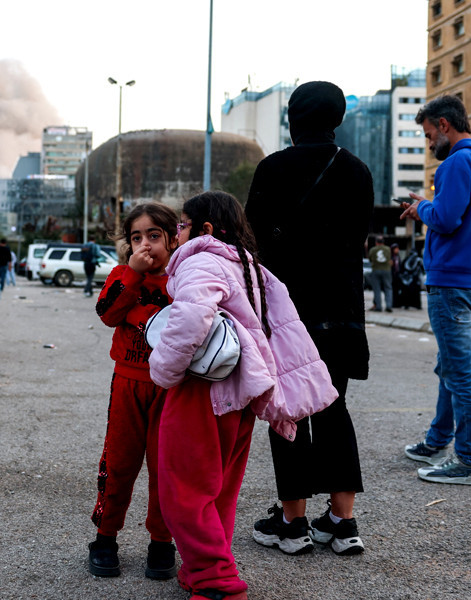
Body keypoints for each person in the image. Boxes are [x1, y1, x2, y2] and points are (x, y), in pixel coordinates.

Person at [150, 191, 337, 600]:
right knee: (218, 490)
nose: (176, 232)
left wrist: (162, 370)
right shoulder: (254, 268)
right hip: (243, 395)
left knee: (182, 490)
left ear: (205, 229)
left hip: (204, 389)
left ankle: (217, 580)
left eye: (181, 224)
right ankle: (202, 568)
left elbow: (191, 315)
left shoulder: (201, 259)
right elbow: (284, 330)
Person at [245, 80, 372, 557]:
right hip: (341, 312)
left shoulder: (273, 168)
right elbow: (358, 236)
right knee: (334, 407)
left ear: (293, 118)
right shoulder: (357, 171)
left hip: (287, 311)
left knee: (288, 411)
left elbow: (252, 242)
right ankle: (343, 522)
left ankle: (293, 523)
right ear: (336, 118)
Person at [400, 94, 471, 486]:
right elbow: (459, 216)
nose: (431, 145)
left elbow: (446, 219)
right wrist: (431, 205)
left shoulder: (458, 161)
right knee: (449, 365)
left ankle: (468, 460)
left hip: (450, 280)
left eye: (430, 136)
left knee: (459, 371)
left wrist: (422, 210)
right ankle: (438, 439)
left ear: (444, 125)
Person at [87, 202, 178, 581]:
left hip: (171, 388)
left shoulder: (184, 279)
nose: (145, 245)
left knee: (166, 467)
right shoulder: (122, 275)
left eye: (154, 236)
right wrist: (133, 274)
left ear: (173, 239)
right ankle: (105, 538)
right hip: (127, 382)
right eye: (137, 237)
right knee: (120, 461)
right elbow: (107, 313)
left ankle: (162, 541)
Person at [368, 236, 393, 312]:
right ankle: (388, 305)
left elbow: (370, 259)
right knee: (388, 288)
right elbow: (389, 258)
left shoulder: (373, 249)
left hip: (376, 270)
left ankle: (378, 306)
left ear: (376, 242)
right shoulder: (388, 249)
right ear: (383, 242)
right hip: (386, 270)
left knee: (377, 289)